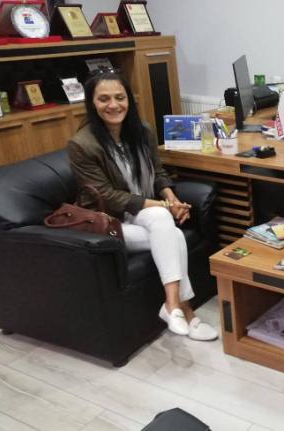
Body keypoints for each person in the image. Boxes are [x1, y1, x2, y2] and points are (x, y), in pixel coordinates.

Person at [67, 71, 218, 341]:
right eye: (103, 99)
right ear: (92, 103)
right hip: (111, 222)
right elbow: (108, 195)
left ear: (129, 99)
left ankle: (172, 307)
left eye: (120, 97)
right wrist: (163, 206)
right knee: (172, 234)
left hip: (145, 215)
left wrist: (172, 199)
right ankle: (185, 312)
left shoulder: (142, 131)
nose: (113, 105)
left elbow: (158, 173)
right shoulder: (82, 145)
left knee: (162, 221)